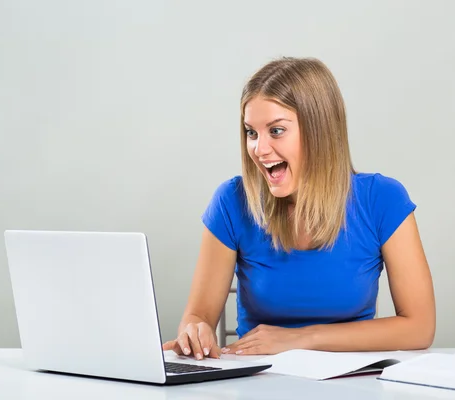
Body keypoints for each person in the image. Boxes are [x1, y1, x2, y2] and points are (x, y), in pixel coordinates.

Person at [163, 57, 435, 360]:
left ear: (319, 131)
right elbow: (198, 316)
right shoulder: (231, 201)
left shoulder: (382, 199)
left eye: (276, 131)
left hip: (352, 382)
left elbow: (419, 328)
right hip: (257, 382)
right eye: (251, 132)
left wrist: (300, 338)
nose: (259, 149)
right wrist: (194, 330)